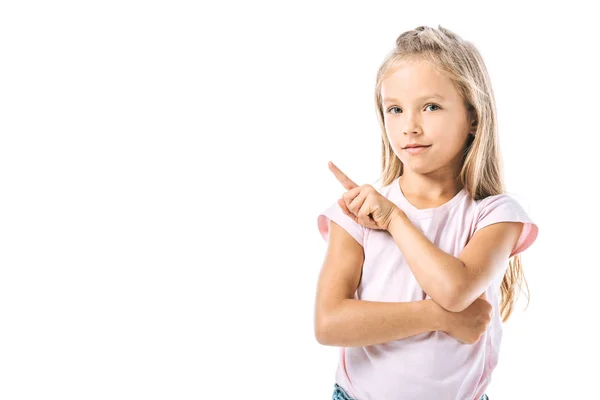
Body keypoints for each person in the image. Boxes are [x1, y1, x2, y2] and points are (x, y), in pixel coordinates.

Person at [314, 25, 539, 400]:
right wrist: (437, 319)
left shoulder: (496, 216)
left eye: (431, 107)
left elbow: (455, 290)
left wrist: (394, 219)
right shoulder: (354, 215)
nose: (410, 127)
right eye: (395, 110)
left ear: (473, 117)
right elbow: (328, 323)